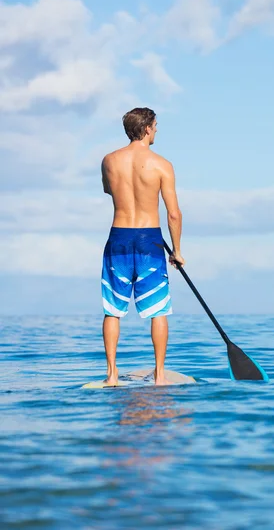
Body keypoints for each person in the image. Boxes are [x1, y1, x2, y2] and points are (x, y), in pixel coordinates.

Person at [100, 107, 185, 386]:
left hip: (119, 237)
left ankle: (112, 375)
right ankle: (159, 376)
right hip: (150, 240)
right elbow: (173, 214)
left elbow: (109, 190)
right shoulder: (162, 164)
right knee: (158, 311)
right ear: (147, 128)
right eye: (156, 125)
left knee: (112, 310)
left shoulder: (109, 161)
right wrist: (177, 250)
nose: (157, 130)